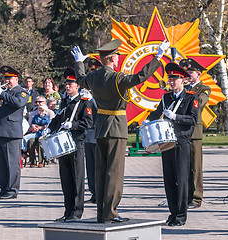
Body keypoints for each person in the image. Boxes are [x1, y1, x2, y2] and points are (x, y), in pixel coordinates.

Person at [71, 39, 170, 223]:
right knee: (114, 174)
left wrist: (79, 62)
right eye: (116, 57)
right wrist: (158, 56)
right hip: (116, 126)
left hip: (100, 127)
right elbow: (141, 76)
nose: (118, 59)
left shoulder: (93, 78)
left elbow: (80, 79)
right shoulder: (118, 78)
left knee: (101, 172)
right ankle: (110, 213)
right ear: (112, 59)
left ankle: (101, 212)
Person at [147, 63, 198, 226]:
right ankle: (173, 212)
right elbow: (156, 113)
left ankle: (181, 215)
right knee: (169, 179)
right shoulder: (166, 97)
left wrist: (175, 117)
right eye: (170, 78)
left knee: (181, 180)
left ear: (182, 80)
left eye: (174, 79)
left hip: (181, 142)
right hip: (166, 142)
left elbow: (193, 120)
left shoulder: (191, 97)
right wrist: (149, 119)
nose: (171, 81)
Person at [47, 67, 93, 222]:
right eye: (66, 83)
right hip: (63, 144)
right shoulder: (65, 101)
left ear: (77, 86)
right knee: (66, 179)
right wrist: (50, 129)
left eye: (71, 83)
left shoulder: (84, 101)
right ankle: (68, 212)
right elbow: (58, 118)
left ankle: (77, 212)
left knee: (77, 178)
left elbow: (87, 122)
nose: (67, 86)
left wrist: (72, 125)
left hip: (76, 143)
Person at [178, 58, 211, 209]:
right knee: (183, 166)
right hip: (181, 131)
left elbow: (198, 103)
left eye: (190, 72)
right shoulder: (183, 89)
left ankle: (196, 198)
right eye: (186, 72)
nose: (187, 75)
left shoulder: (203, 89)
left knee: (195, 168)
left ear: (198, 74)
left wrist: (185, 91)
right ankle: (186, 196)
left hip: (194, 132)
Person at [0, 66, 29, 199]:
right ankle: (4, 187)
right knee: (1, 163)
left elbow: (18, 103)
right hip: (0, 130)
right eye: (5, 78)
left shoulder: (21, 92)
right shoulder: (4, 92)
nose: (6, 81)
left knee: (12, 163)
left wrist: (1, 93)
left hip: (11, 132)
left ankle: (12, 189)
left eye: (9, 78)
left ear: (16, 79)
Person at [83, 59, 101, 204]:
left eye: (95, 71)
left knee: (98, 166)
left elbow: (101, 109)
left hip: (98, 133)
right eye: (91, 71)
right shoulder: (86, 90)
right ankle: (94, 192)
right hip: (87, 134)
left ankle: (100, 193)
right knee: (90, 167)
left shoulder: (101, 89)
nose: (92, 74)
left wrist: (92, 99)